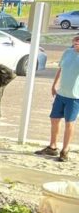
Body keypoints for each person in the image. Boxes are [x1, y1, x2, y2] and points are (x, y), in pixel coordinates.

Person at [35, 33, 79, 162]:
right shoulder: (67, 52)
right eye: (76, 40)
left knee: (69, 123)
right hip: (61, 94)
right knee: (54, 119)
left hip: (75, 97)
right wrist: (54, 85)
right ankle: (52, 147)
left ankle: (65, 150)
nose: (76, 42)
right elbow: (60, 69)